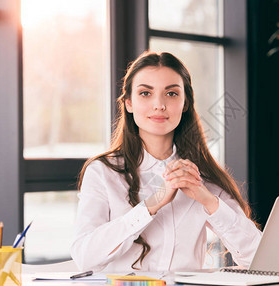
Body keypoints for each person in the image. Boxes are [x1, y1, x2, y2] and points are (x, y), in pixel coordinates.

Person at [70, 51, 262, 272]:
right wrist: (151, 205)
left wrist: (209, 202)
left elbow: (259, 257)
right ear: (129, 103)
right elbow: (84, 256)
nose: (159, 105)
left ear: (185, 103)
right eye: (145, 93)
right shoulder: (103, 172)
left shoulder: (202, 176)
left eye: (171, 94)